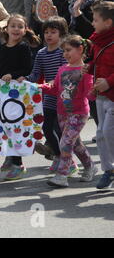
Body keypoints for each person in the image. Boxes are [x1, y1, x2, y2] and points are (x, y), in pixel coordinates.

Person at [41, 35, 98, 188]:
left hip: (79, 113)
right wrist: (41, 87)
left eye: (68, 50)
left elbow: (89, 94)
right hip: (62, 113)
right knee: (76, 144)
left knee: (65, 142)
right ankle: (90, 166)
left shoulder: (85, 71)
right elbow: (55, 89)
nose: (65, 54)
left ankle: (62, 175)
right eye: (64, 51)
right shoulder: (62, 69)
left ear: (80, 49)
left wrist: (94, 91)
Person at [0, 14, 33, 181]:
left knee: (14, 127)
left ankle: (18, 164)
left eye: (20, 26)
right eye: (13, 26)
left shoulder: (24, 47)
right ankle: (10, 157)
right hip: (2, 95)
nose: (16, 29)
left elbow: (27, 69)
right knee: (3, 126)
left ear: (25, 30)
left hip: (16, 95)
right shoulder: (2, 47)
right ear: (7, 29)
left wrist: (13, 75)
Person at [17, 16, 68, 169]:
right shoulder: (41, 53)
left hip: (64, 96)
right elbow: (35, 74)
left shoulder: (63, 52)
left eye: (53, 32)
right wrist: (24, 79)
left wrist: (55, 81)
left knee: (61, 130)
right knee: (46, 128)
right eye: (46, 32)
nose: (49, 35)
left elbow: (66, 71)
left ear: (62, 34)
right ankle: (58, 156)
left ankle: (67, 160)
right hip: (48, 96)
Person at [85, 1, 114, 189]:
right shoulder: (97, 40)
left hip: (112, 95)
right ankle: (108, 170)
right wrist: (88, 69)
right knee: (100, 133)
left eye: (96, 20)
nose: (92, 23)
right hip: (101, 96)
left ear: (108, 22)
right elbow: (96, 62)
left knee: (108, 131)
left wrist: (109, 82)